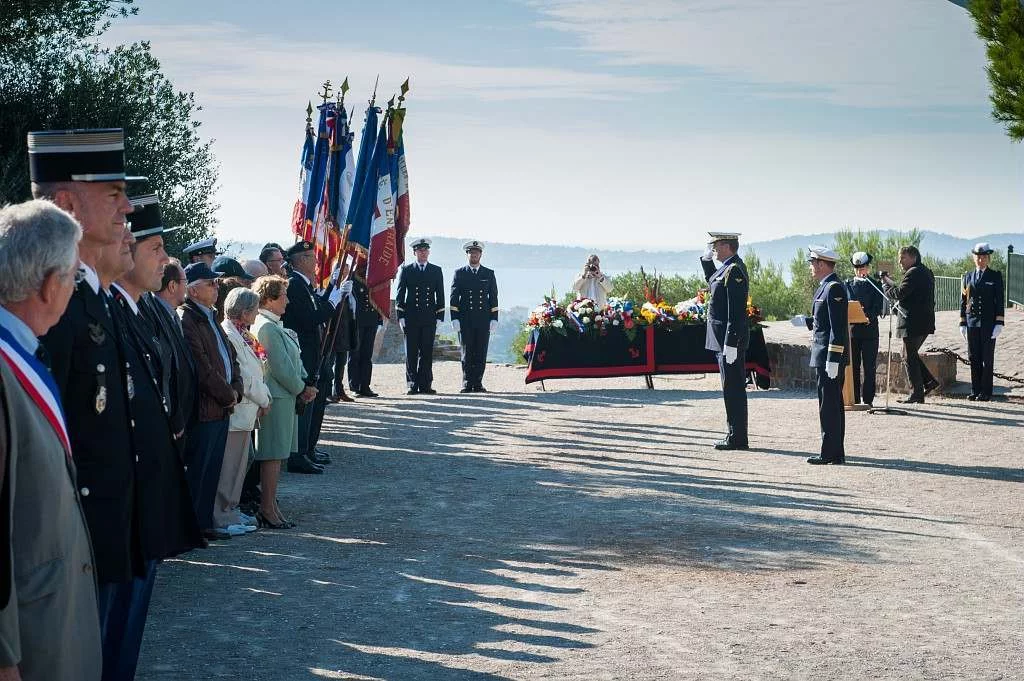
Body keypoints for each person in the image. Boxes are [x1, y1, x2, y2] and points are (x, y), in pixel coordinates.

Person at [30, 128, 156, 681]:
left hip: (108, 527)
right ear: (64, 204)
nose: (128, 206)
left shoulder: (92, 297)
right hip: (75, 536)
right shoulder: (53, 302)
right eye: (112, 192)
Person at [0, 200, 102, 681]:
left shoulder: (22, 350)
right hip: (28, 643)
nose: (74, 290)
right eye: (74, 278)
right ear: (48, 283)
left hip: (48, 622)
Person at [179, 262, 243, 540]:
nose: (216, 287)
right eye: (210, 283)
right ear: (193, 290)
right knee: (199, 470)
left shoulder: (211, 317)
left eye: (216, 283)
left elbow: (232, 357)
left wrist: (236, 388)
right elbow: (202, 367)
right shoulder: (188, 319)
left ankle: (204, 524)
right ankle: (191, 528)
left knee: (212, 469)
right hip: (206, 408)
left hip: (221, 407)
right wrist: (229, 395)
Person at [252, 275, 315, 528]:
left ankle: (271, 504)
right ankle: (266, 507)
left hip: (284, 397)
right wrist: (302, 389)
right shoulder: (266, 327)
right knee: (272, 455)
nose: (288, 301)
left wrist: (303, 384)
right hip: (277, 397)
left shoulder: (274, 324)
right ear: (268, 299)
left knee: (277, 456)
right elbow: (279, 367)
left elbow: (293, 362)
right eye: (283, 296)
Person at [281, 241, 341, 473]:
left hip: (313, 353)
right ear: (302, 260)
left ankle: (307, 448)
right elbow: (309, 319)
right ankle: (299, 454)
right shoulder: (295, 285)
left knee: (314, 405)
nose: (316, 262)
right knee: (305, 407)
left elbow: (315, 309)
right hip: (304, 354)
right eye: (312, 257)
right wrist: (332, 303)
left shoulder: (304, 285)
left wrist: (330, 294)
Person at [218, 287, 271, 534]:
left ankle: (231, 509)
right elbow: (244, 376)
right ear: (245, 311)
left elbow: (257, 369)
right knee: (229, 467)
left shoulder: (244, 334)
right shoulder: (229, 334)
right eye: (254, 309)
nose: (256, 313)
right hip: (238, 410)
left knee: (240, 465)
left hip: (248, 411)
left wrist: (263, 397)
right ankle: (221, 515)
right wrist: (264, 399)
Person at [798, 247, 849, 465]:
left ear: (821, 264)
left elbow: (838, 329)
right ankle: (834, 451)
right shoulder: (825, 287)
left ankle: (830, 452)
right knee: (829, 404)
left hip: (829, 357)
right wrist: (807, 321)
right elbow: (824, 322)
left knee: (829, 405)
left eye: (812, 263)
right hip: (823, 355)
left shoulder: (834, 287)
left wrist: (833, 358)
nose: (811, 267)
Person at [700, 232, 749, 450]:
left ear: (728, 246)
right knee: (729, 387)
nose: (714, 249)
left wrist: (731, 341)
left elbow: (736, 311)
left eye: (717, 246)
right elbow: (714, 283)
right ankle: (734, 434)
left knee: (734, 388)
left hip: (729, 341)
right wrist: (706, 262)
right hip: (722, 340)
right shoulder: (726, 268)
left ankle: (737, 437)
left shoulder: (735, 269)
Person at [147, 259, 196, 440]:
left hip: (181, 415)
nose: (187, 287)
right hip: (169, 420)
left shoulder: (173, 315)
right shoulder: (154, 317)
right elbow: (165, 370)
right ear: (173, 286)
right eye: (185, 282)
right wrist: (174, 417)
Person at [881, 245, 937, 404]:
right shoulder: (924, 271)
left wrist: (885, 285)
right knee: (910, 354)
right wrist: (892, 283)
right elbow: (907, 291)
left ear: (913, 258)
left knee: (908, 356)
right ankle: (928, 382)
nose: (899, 261)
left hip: (913, 323)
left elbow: (899, 294)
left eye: (903, 257)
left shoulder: (913, 273)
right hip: (922, 322)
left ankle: (917, 393)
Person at [395, 237, 445, 395]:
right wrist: (400, 316)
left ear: (428, 252)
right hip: (411, 317)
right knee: (411, 352)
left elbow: (440, 296)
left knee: (427, 352)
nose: (423, 253)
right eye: (420, 251)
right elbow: (400, 295)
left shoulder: (436, 270)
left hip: (429, 317)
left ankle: (425, 384)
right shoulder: (407, 270)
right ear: (415, 252)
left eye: (425, 250)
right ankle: (412, 383)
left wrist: (439, 317)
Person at [450, 240, 499, 393]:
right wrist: (454, 318)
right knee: (467, 352)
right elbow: (453, 298)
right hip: (465, 320)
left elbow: (494, 298)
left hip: (483, 320)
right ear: (468, 254)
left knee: (480, 352)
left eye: (476, 252)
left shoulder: (488, 273)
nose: (474, 255)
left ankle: (477, 383)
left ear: (481, 254)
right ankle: (466, 383)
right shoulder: (460, 273)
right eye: (471, 252)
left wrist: (494, 318)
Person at [959, 242, 1006, 401]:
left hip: (988, 324)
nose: (981, 260)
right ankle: (975, 389)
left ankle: (986, 391)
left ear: (988, 258)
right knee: (974, 357)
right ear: (974, 258)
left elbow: (999, 300)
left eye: (984, 257)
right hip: (972, 323)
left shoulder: (995, 276)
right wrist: (962, 322)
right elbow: (964, 301)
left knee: (987, 358)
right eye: (978, 257)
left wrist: (999, 322)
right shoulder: (968, 276)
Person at [844, 251, 884, 407]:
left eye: (864, 267)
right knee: (853, 366)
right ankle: (854, 398)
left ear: (868, 267)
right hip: (852, 332)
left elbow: (878, 306)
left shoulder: (875, 285)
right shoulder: (847, 284)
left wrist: (868, 316)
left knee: (869, 367)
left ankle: (868, 400)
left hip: (870, 331)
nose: (861, 270)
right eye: (858, 267)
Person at [347, 261, 382, 398]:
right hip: (357, 320)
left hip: (371, 320)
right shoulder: (353, 277)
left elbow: (378, 298)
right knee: (355, 354)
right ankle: (355, 386)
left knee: (367, 355)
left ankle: (365, 385)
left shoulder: (376, 277)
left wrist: (379, 318)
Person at [329, 261, 356, 403]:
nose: (345, 273)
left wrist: (349, 294)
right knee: (330, 362)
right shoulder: (331, 286)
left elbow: (353, 307)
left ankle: (338, 390)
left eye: (346, 270)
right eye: (342, 270)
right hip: (333, 330)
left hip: (344, 329)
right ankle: (328, 391)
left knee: (341, 362)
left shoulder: (349, 285)